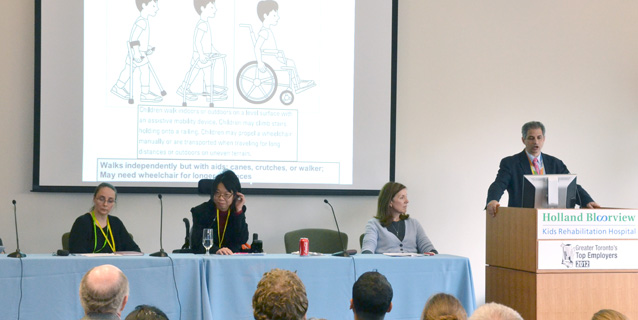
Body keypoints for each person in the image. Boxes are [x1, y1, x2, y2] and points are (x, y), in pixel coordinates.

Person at [486, 121, 600, 216]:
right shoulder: (511, 163)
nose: (536, 142)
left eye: (539, 138)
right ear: (523, 140)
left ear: (544, 139)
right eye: (531, 138)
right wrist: (493, 200)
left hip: (551, 218)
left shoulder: (555, 163)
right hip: (522, 218)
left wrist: (587, 201)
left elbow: (571, 186)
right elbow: (499, 184)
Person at [254, 0, 315, 91]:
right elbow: (257, 47)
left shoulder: (267, 30)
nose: (277, 17)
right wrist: (260, 62)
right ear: (265, 16)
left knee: (290, 62)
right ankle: (297, 85)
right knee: (290, 64)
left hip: (274, 57)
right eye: (274, 15)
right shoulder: (264, 32)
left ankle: (297, 82)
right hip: (270, 59)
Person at [361, 182, 437, 254]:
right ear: (390, 202)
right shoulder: (374, 224)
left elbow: (428, 248)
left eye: (406, 197)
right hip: (386, 267)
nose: (407, 201)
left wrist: (434, 253)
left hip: (413, 266)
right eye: (402, 197)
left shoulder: (414, 223)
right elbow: (368, 249)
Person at [110, 0, 163, 103]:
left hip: (139, 52)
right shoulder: (141, 22)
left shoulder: (144, 20)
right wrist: (137, 52)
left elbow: (139, 39)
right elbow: (134, 38)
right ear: (144, 5)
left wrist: (146, 49)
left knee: (130, 70)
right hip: (136, 53)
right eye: (153, 6)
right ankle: (144, 93)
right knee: (141, 71)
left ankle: (119, 87)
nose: (157, 8)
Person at [177, 0, 227, 101]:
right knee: (194, 72)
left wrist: (215, 51)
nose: (215, 10)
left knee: (206, 72)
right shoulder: (202, 24)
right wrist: (201, 55)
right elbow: (197, 41)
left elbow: (208, 43)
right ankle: (183, 88)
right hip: (200, 55)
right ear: (202, 8)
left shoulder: (205, 23)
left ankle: (208, 91)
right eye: (212, 7)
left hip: (206, 55)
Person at [69, 183, 140, 254]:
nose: (105, 204)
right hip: (91, 265)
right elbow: (77, 254)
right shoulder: (82, 222)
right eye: (101, 199)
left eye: (110, 201)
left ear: (114, 203)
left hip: (114, 265)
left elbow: (135, 250)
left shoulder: (116, 223)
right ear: (94, 199)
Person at [191, 169, 248, 255]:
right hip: (208, 258)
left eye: (226, 195)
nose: (221, 198)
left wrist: (238, 211)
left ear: (235, 195)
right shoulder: (201, 211)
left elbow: (242, 240)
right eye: (217, 193)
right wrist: (216, 250)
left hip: (232, 259)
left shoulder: (237, 211)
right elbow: (197, 243)